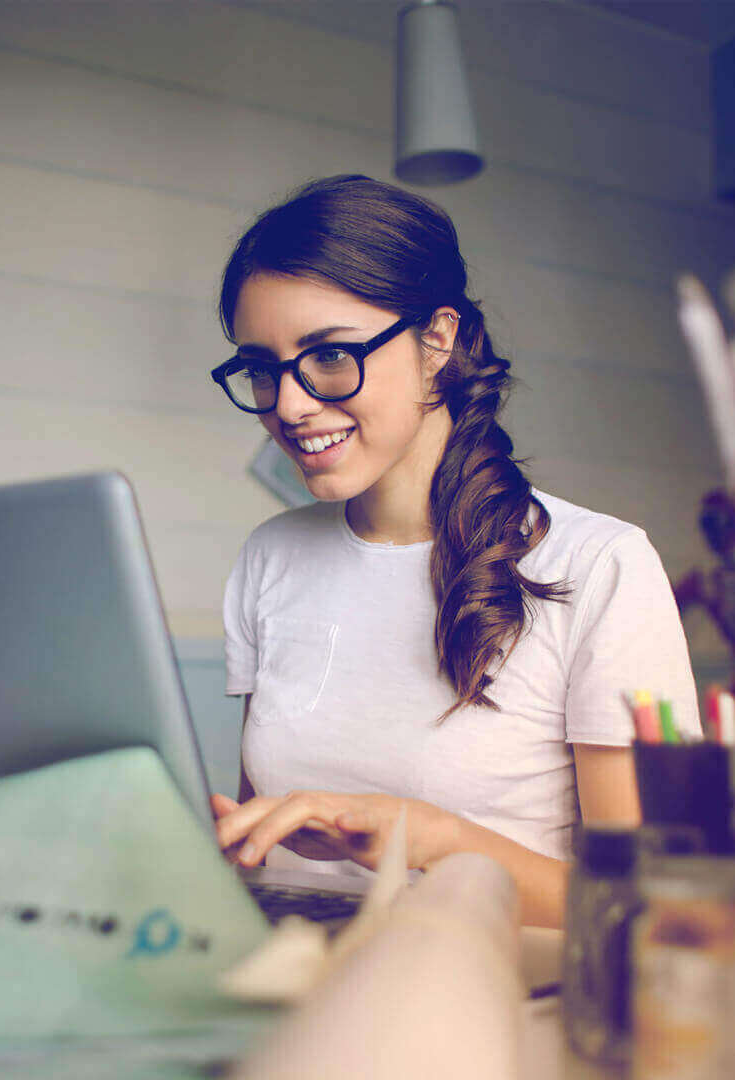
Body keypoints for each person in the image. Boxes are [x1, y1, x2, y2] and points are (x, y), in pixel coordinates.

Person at [208, 175, 700, 928]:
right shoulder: (271, 557)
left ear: (436, 340)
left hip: (485, 997)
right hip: (295, 979)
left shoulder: (600, 566)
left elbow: (643, 906)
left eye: (330, 356)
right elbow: (260, 839)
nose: (288, 404)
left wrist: (431, 840)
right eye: (261, 368)